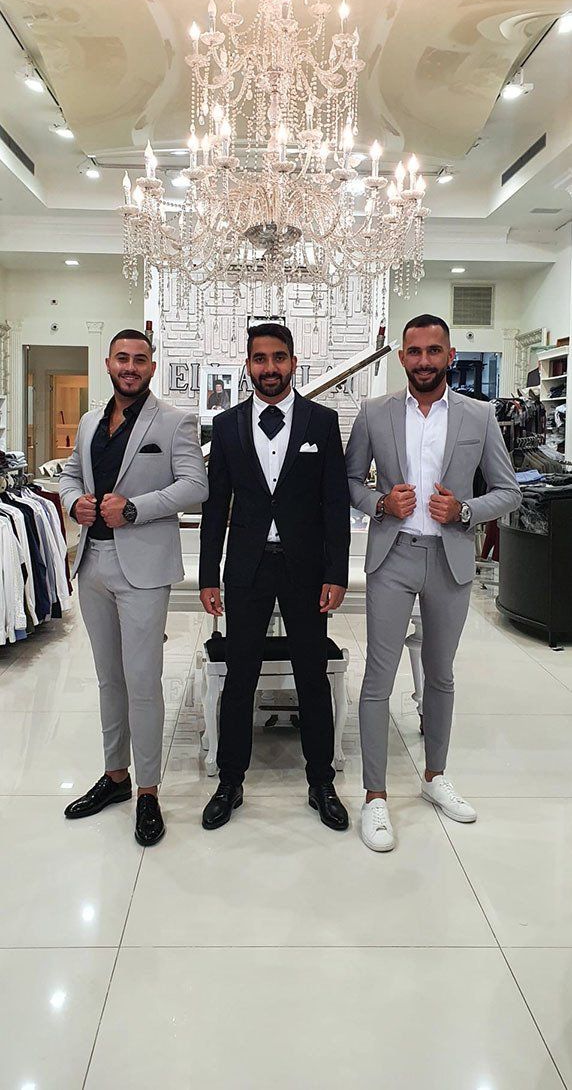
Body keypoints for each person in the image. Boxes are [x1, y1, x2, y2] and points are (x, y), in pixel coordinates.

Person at [345, 314, 520, 853]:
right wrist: (380, 502)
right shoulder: (374, 412)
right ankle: (375, 795)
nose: (424, 360)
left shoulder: (479, 415)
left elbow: (508, 490)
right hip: (393, 556)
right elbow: (348, 480)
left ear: (449, 355)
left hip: (450, 559)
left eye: (433, 350)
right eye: (415, 351)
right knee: (379, 677)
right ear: (402, 356)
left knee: (440, 674)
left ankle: (435, 775)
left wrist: (464, 510)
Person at [199, 322, 351, 832]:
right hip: (247, 566)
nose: (270, 368)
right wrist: (208, 575)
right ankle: (230, 780)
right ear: (248, 365)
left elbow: (334, 503)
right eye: (260, 359)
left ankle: (321, 781)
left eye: (279, 358)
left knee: (312, 675)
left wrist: (336, 572)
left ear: (293, 363)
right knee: (239, 676)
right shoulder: (227, 426)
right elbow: (216, 506)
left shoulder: (321, 422)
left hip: (305, 568)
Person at [60, 329, 208, 846]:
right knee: (109, 679)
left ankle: (148, 789)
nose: (130, 366)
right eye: (122, 358)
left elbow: (196, 486)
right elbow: (70, 477)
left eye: (139, 359)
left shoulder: (174, 421)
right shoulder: (88, 422)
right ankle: (115, 775)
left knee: (143, 680)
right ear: (108, 364)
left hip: (142, 568)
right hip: (92, 563)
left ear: (151, 367)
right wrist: (73, 501)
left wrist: (134, 509)